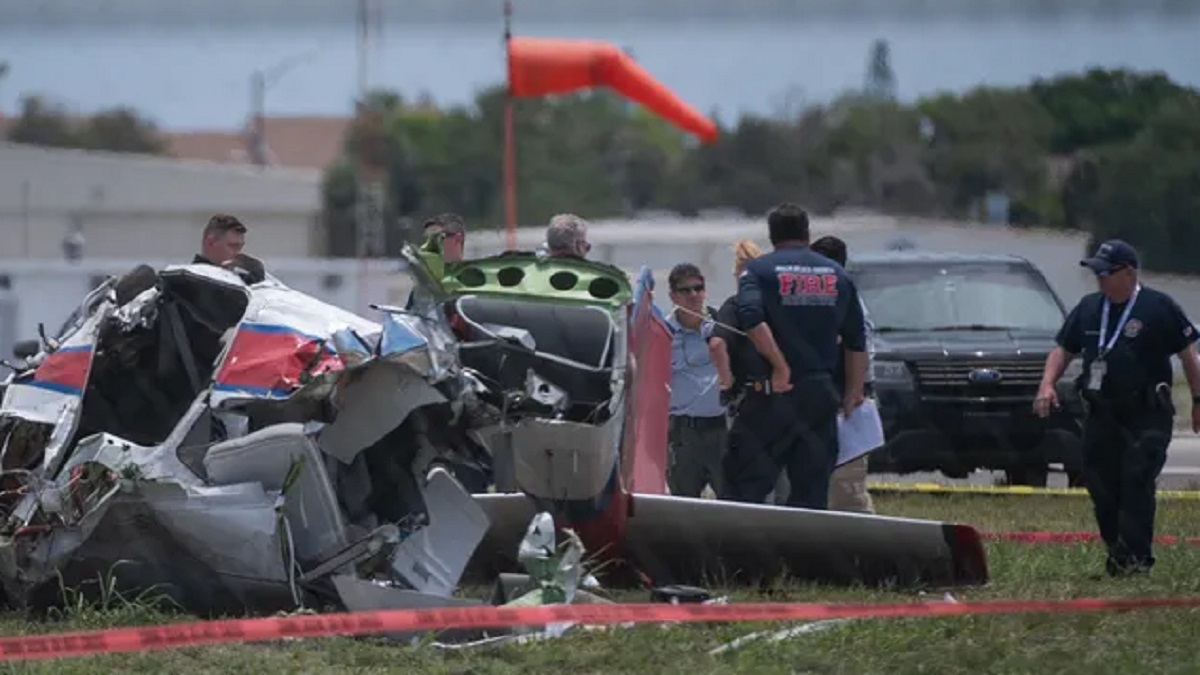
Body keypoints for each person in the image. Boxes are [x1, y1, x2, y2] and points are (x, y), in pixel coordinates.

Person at [1034, 239, 1200, 577]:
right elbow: (1062, 350)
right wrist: (1047, 384)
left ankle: (1137, 560)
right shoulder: (1089, 308)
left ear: (1128, 273)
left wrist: (1198, 401)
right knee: (1100, 484)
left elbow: (1188, 357)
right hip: (1101, 413)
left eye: (1105, 273)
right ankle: (1118, 551)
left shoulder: (1158, 307)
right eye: (1097, 273)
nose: (1099, 279)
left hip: (1147, 413)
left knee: (1137, 478)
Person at [730, 203, 868, 509]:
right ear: (807, 233)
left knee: (746, 487)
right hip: (820, 397)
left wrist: (779, 366)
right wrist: (853, 392)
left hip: (772, 397)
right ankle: (805, 556)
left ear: (772, 235)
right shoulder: (836, 274)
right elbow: (857, 339)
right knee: (812, 490)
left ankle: (742, 555)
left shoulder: (759, 270)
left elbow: (751, 318)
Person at [708, 239, 785, 503]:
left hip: (749, 400)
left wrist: (726, 383)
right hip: (785, 397)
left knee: (746, 478)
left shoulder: (735, 305)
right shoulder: (779, 304)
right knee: (784, 476)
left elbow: (717, 344)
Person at [810, 234, 876, 514]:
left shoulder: (846, 303)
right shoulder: (833, 300)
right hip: (824, 404)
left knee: (847, 490)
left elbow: (858, 350)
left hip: (845, 407)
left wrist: (852, 393)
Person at [664, 262, 727, 498]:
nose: (693, 295)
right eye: (685, 290)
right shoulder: (662, 332)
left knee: (733, 502)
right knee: (683, 504)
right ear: (673, 296)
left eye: (698, 288)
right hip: (683, 433)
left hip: (722, 429)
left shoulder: (723, 324)